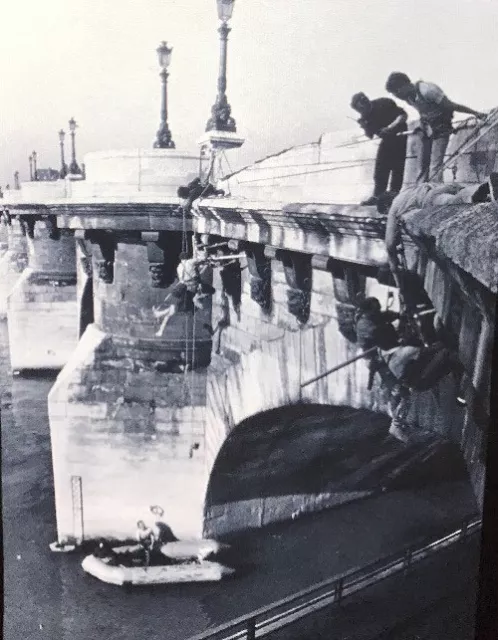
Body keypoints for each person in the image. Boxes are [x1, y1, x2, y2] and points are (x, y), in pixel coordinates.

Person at [385, 72, 487, 183]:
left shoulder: (428, 90)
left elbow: (451, 106)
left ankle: (435, 191)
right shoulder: (407, 98)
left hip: (441, 128)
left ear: (405, 85)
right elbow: (423, 111)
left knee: (435, 166)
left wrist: (476, 113)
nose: (397, 96)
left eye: (397, 92)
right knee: (422, 166)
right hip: (426, 129)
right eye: (394, 94)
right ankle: (421, 193)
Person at [351, 92, 408, 205]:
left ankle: (393, 197)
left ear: (365, 102)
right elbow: (371, 134)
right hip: (387, 140)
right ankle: (378, 196)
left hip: (399, 136)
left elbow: (403, 115)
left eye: (361, 109)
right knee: (380, 168)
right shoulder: (365, 116)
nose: (361, 112)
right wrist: (365, 126)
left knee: (397, 168)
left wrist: (390, 127)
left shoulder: (384, 103)